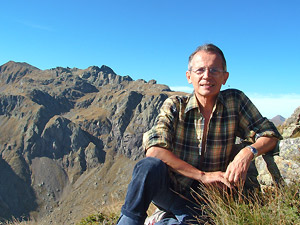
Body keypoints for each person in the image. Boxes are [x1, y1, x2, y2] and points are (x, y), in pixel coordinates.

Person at [117, 44, 282, 225]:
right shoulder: (175, 105)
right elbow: (154, 150)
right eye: (200, 70)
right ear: (189, 76)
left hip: (206, 201)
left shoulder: (235, 101)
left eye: (214, 70)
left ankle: (167, 218)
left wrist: (247, 153)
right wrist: (203, 175)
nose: (207, 76)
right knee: (148, 166)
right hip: (172, 192)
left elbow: (269, 134)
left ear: (225, 77)